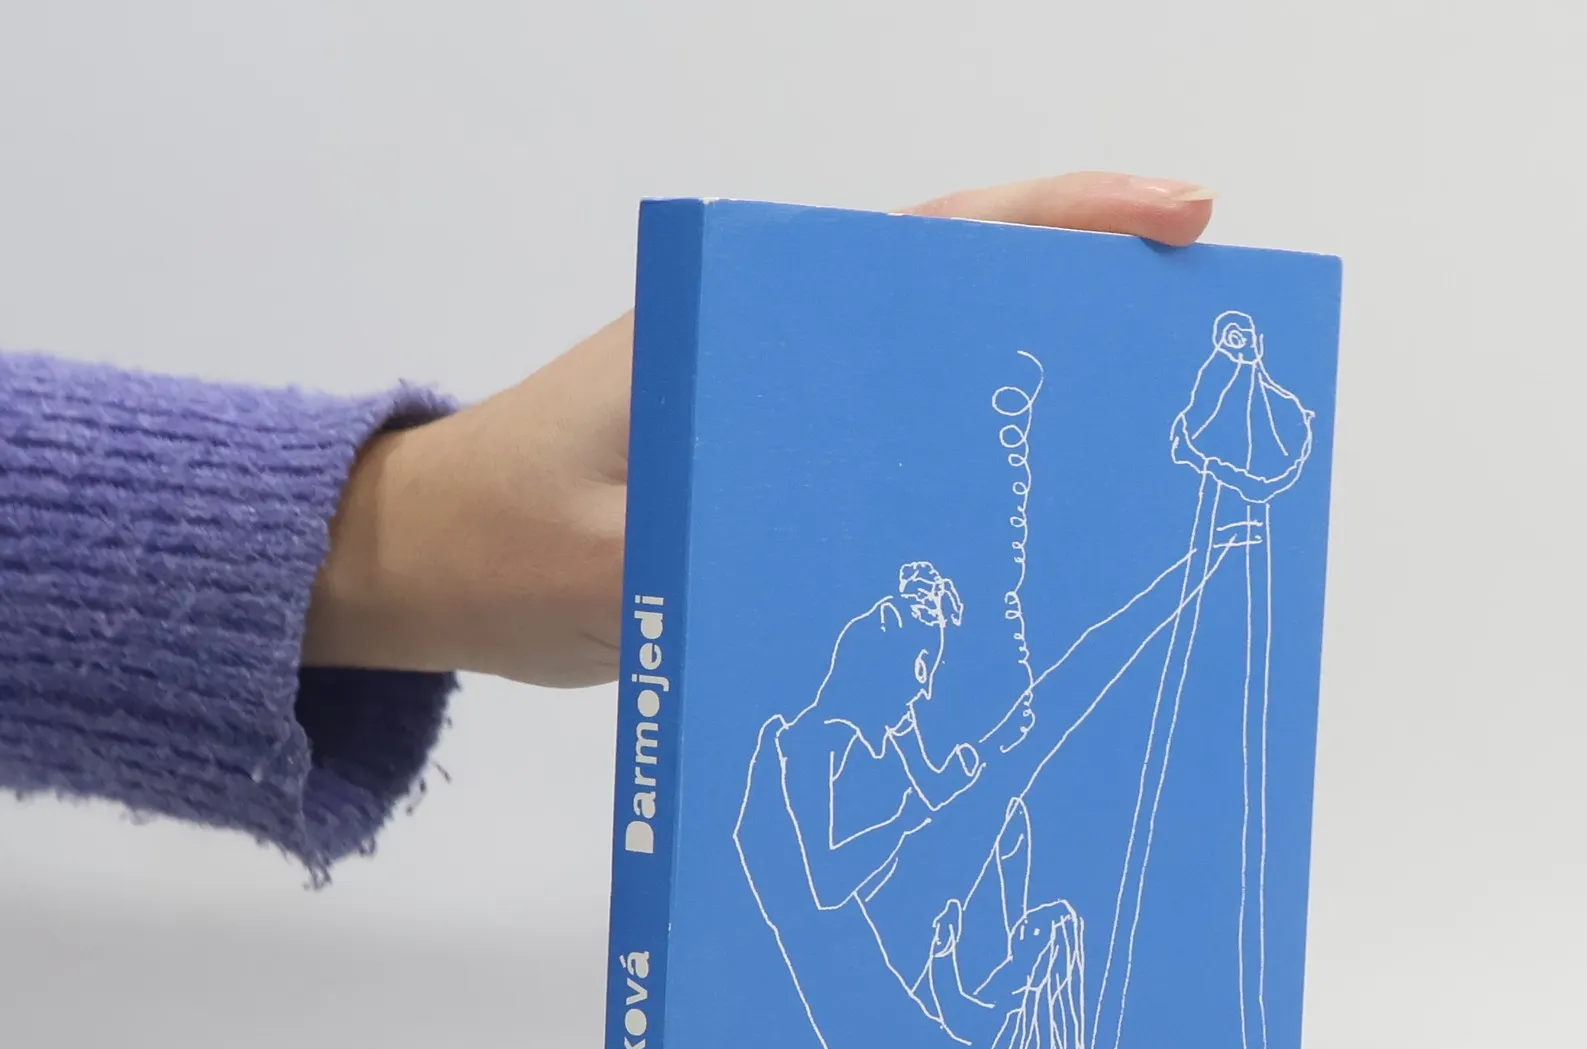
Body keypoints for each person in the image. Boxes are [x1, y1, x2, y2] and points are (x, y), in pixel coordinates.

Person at [0, 173, 1214, 877]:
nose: (921, 665)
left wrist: (402, 533)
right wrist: (396, 538)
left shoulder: (879, 754)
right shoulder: (816, 774)